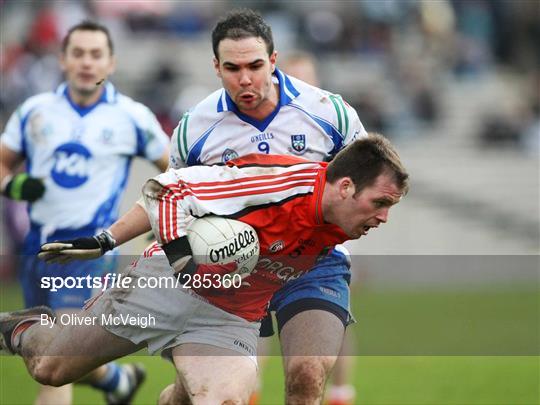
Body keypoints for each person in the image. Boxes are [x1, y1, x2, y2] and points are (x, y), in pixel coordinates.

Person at [33, 9, 370, 404]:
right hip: (228, 271)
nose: (245, 78)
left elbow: (365, 176)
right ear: (216, 66)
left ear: (274, 61)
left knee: (307, 372)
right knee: (203, 393)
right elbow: (169, 194)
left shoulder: (330, 112)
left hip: (311, 263)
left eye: (255, 66)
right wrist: (135, 245)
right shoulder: (196, 127)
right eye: (232, 68)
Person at [2, 134, 409, 404]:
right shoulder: (277, 185)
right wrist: (116, 243)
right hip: (161, 289)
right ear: (346, 187)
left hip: (229, 318)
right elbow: (167, 189)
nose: (384, 218)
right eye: (381, 203)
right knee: (51, 369)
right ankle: (23, 328)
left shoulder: (344, 222)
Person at [0, 21, 169, 405]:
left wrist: (160, 217)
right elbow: (2, 164)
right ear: (63, 59)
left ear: (111, 62)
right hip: (36, 247)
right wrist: (13, 186)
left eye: (96, 55)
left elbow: (175, 169)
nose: (87, 62)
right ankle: (116, 382)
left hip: (87, 250)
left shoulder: (132, 116)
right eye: (78, 53)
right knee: (44, 353)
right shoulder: (35, 111)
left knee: (55, 357)